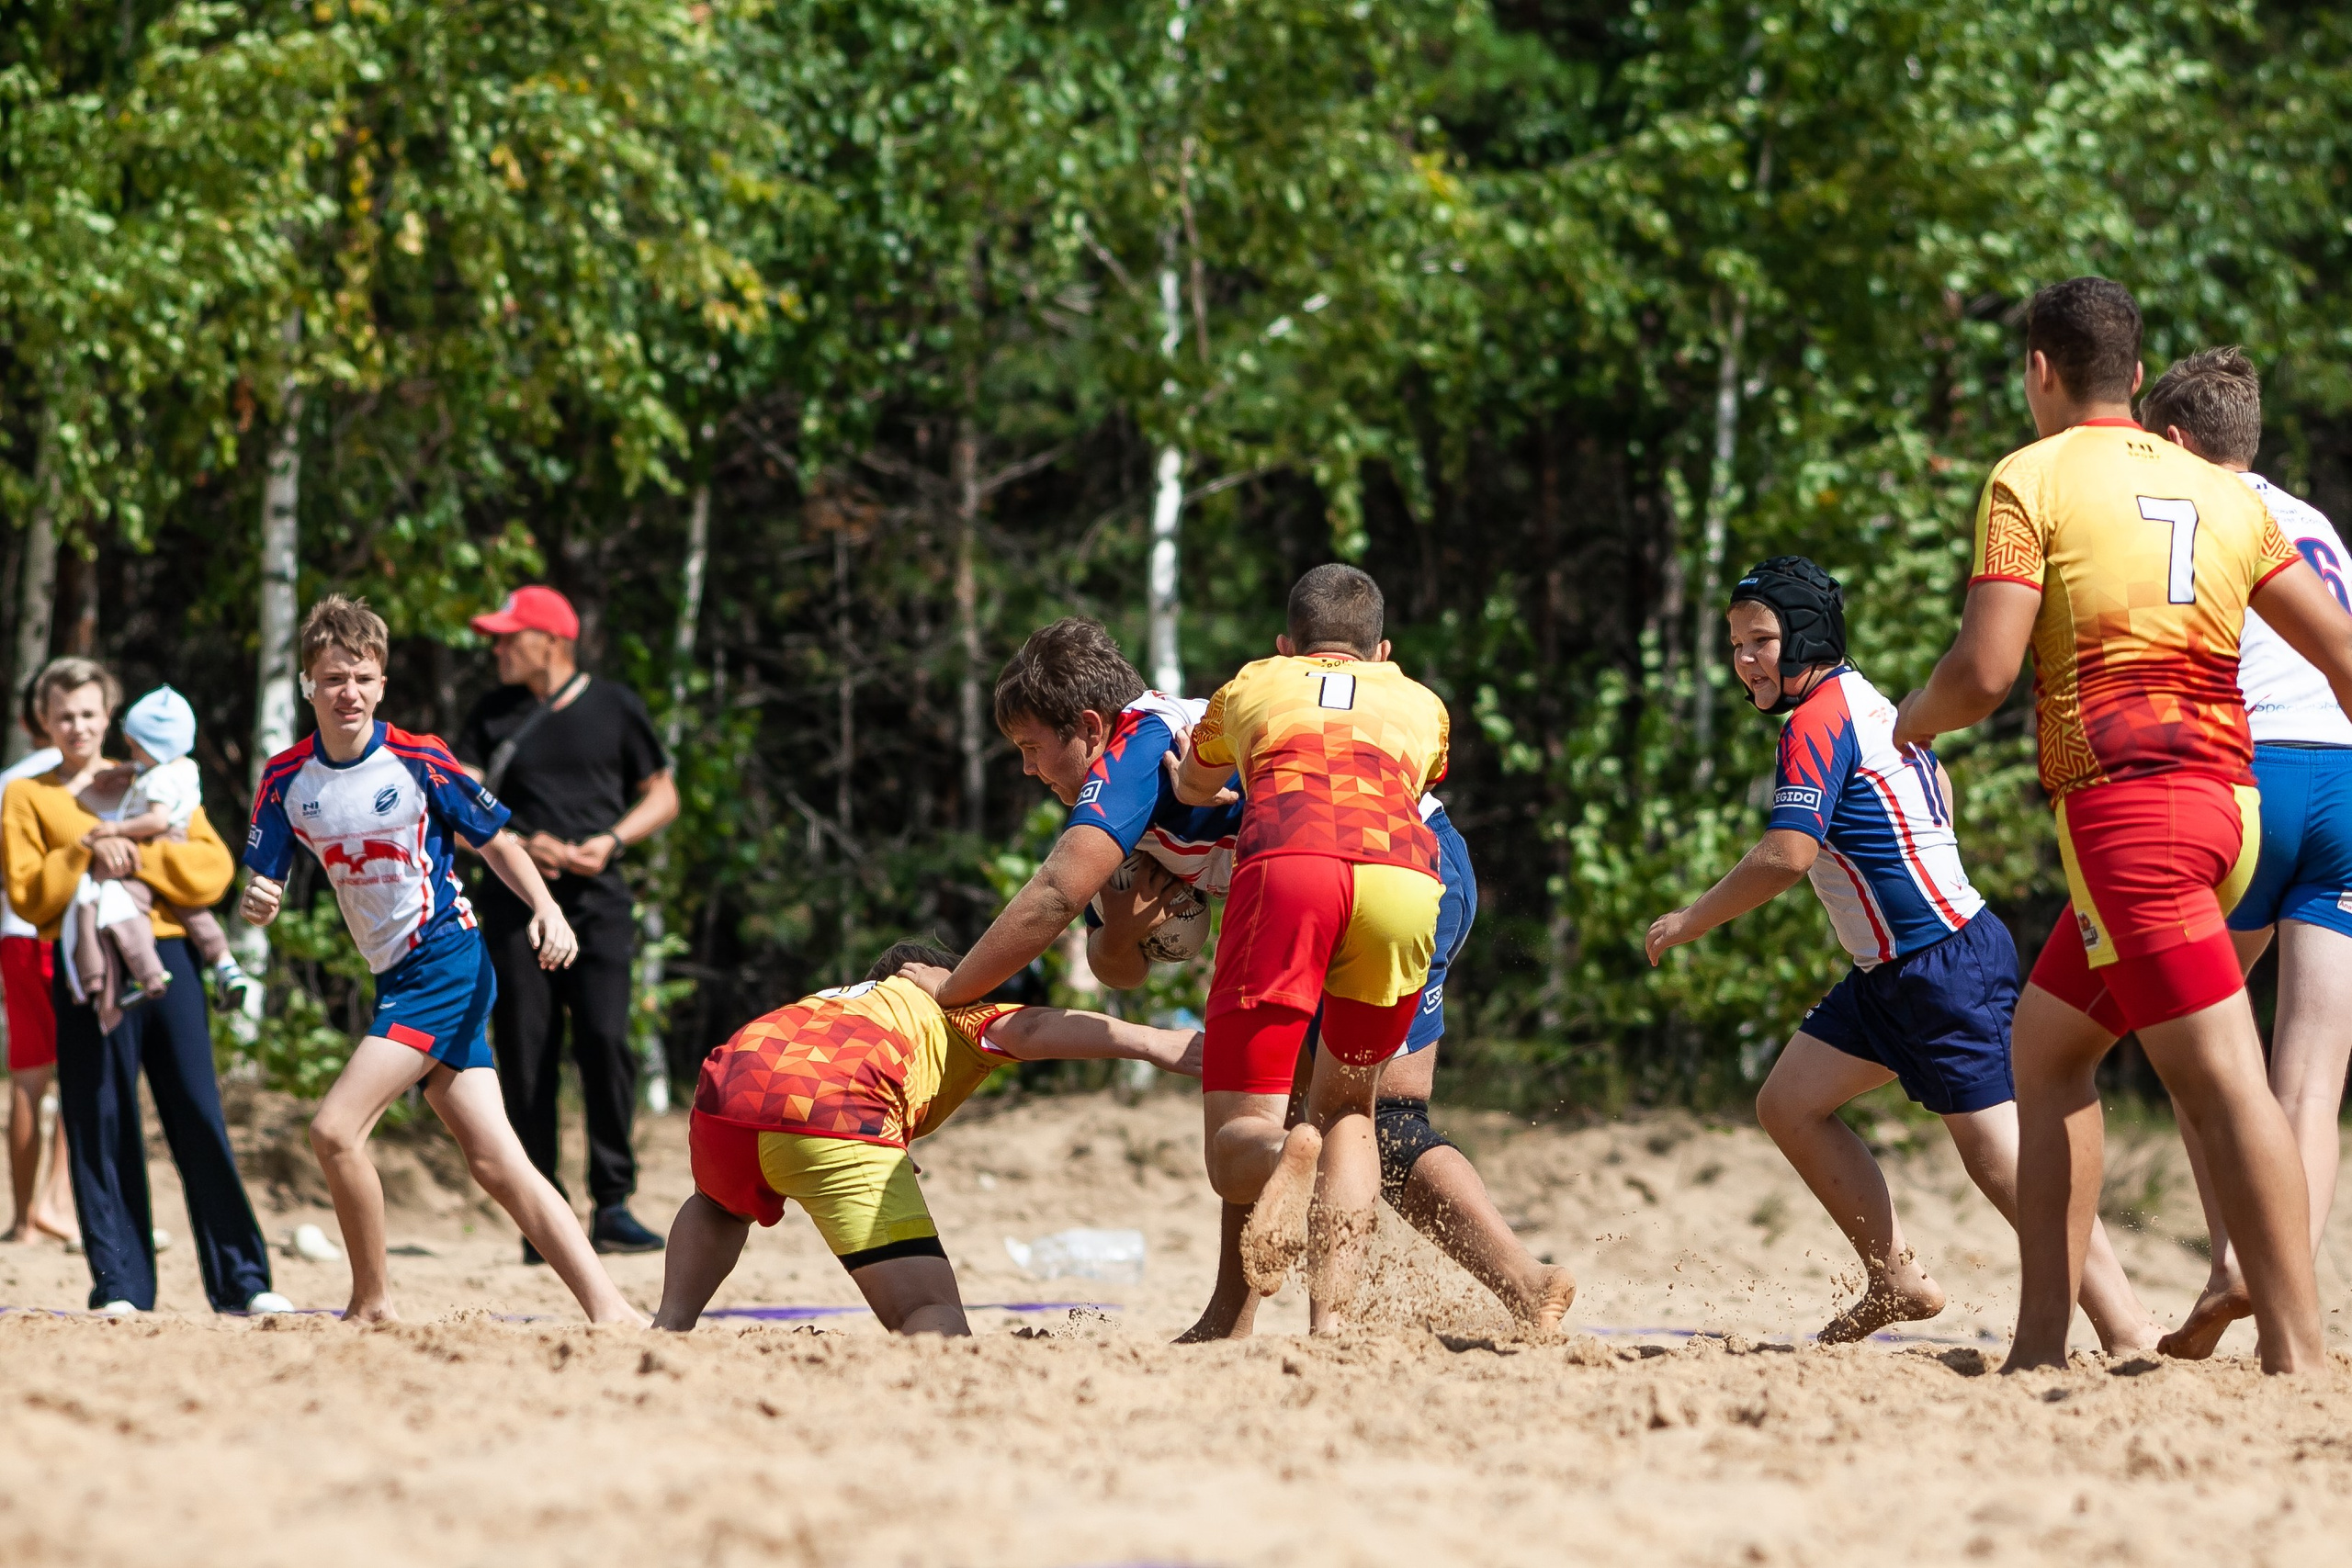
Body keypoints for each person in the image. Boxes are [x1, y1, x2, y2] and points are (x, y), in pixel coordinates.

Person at [1892, 277, 2352, 1374]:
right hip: (2230, 811)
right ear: (2138, 378)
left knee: (2223, 1080)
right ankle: (2041, 1342)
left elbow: (1985, 671)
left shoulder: (2029, 477)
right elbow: (2339, 652)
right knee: (2046, 1054)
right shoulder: (2219, 490)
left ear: (2038, 371)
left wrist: (1903, 726)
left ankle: (2299, 1356)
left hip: (2131, 816)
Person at [936, 619, 1570, 1339]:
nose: (1028, 769)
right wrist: (1121, 914)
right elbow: (1117, 967)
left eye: (1030, 748)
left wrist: (952, 991)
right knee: (1327, 1111)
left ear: (1087, 725)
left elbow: (1053, 894)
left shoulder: (1137, 752)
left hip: (1358, 869)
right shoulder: (1136, 779)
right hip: (1402, 874)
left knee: (1333, 1117)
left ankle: (1493, 1284)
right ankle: (1268, 1318)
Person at [1645, 557, 2160, 1349]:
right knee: (1789, 1103)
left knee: (2003, 1164)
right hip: (1892, 973)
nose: (1744, 659)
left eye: (1761, 641)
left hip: (1943, 967)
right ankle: (1896, 1277)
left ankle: (2125, 1326)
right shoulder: (1861, 697)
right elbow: (1937, 780)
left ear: (1807, 637)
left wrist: (1690, 920)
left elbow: (1787, 853)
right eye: (1737, 643)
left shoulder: (1817, 719)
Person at [242, 596, 639, 1325]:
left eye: (362, 676)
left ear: (383, 683)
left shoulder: (420, 757)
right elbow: (264, 876)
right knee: (497, 1162)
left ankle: (370, 1303)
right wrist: (259, 898)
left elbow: (499, 842)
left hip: (448, 960)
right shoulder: (286, 780)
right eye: (332, 678)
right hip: (394, 973)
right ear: (307, 684)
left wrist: (547, 910)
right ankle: (610, 1306)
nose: (348, 692)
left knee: (334, 1129)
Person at [2137, 347, 2352, 1358]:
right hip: (2344, 774)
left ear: (2175, 443)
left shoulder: (2185, 515)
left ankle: (2234, 1258)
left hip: (2247, 774)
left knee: (2199, 1059)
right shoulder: (2317, 525)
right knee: (2309, 1080)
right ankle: (2288, 1300)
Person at [654, 940, 1202, 1334]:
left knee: (719, 1204)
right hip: (834, 1112)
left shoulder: (840, 999)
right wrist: (1155, 1043)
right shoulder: (951, 1004)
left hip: (724, 1097)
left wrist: (886, 1140)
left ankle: (670, 1323)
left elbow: (842, 1066)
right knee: (929, 1318)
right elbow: (1032, 1029)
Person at [1171, 564, 1451, 1335]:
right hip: (1403, 884)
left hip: (1287, 873)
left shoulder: (1252, 682)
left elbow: (1198, 785)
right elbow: (1407, 775)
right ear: (1382, 649)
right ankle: (1331, 1325)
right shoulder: (1422, 701)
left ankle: (1282, 1151)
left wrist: (1209, 783)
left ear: (1285, 643)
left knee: (1238, 1143)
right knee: (1350, 1110)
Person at [1, 656, 281, 1315]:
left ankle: (244, 1280)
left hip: (171, 956)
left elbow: (211, 870)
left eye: (89, 713)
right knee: (99, 1119)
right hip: (85, 963)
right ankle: (120, 1284)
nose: (76, 725)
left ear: (110, 718)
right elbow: (28, 891)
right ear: (44, 719)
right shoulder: (28, 794)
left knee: (197, 1108)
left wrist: (138, 852)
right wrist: (84, 852)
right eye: (63, 714)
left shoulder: (160, 776)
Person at [455, 585, 679, 1259]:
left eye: (507, 636)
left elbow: (663, 793)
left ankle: (613, 1203)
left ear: (550, 639)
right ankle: (540, 1211)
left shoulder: (614, 707)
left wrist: (610, 841)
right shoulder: (489, 715)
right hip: (515, 906)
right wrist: (521, 841)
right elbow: (459, 802)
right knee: (526, 1052)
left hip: (599, 902)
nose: (496, 648)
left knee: (607, 1043)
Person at [66, 685, 249, 1030]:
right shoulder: (181, 767)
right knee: (195, 913)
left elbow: (156, 820)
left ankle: (146, 974)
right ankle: (225, 963)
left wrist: (115, 830)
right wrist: (121, 772)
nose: (130, 752)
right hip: (177, 845)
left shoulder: (160, 780)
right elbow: (143, 769)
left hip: (154, 843)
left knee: (122, 908)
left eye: (136, 746)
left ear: (157, 747)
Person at [2, 719, 74, 1247]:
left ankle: (24, 1219)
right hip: (64, 934)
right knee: (80, 1075)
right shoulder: (74, 780)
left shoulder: (8, 780)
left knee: (27, 1078)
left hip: (14, 934)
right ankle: (57, 1204)